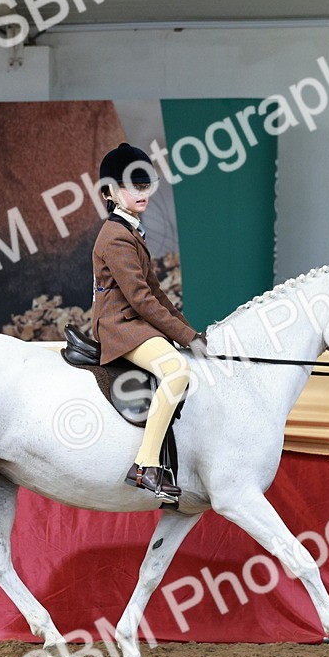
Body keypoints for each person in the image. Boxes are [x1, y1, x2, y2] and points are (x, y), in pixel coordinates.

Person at [91, 143, 206, 501]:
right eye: (130, 185)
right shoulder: (114, 236)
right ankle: (144, 466)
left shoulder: (132, 232)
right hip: (120, 326)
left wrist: (190, 332)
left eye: (145, 185)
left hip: (133, 322)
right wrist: (185, 338)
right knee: (176, 370)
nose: (141, 193)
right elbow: (140, 300)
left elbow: (156, 293)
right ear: (109, 192)